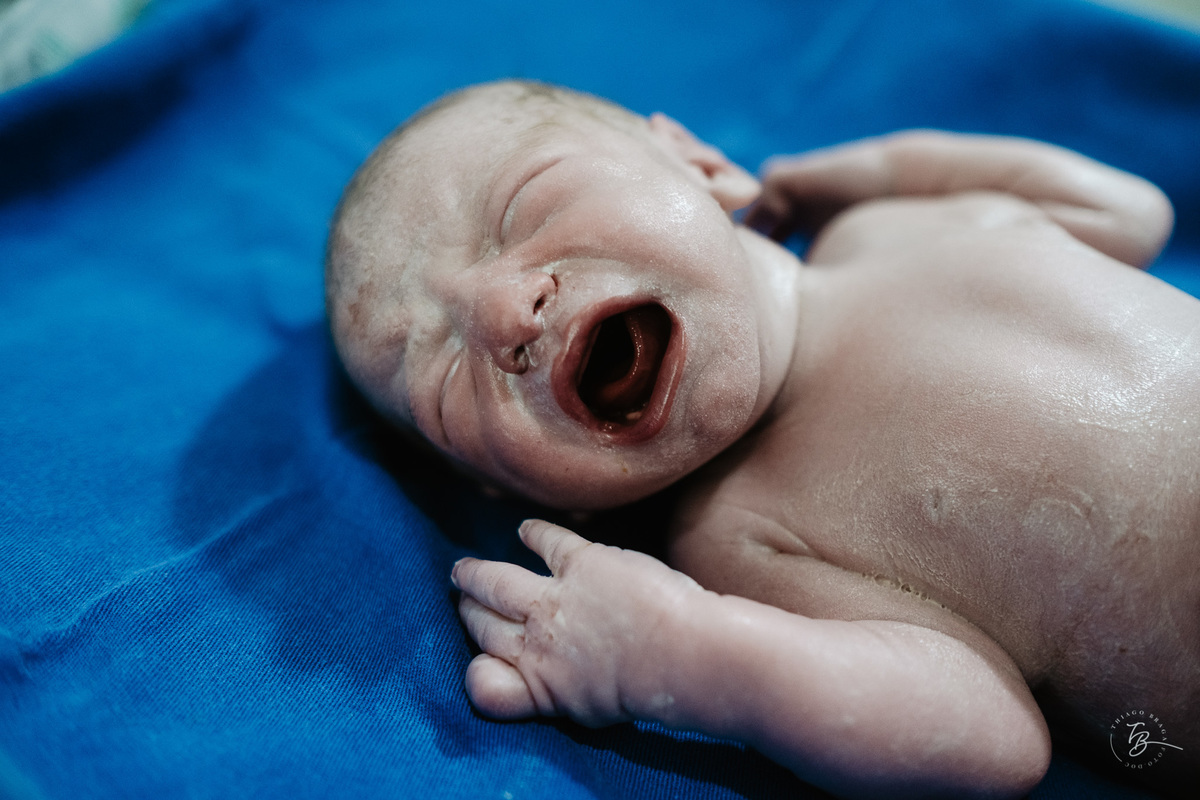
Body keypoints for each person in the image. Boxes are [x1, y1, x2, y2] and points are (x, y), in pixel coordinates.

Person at [324, 80, 1197, 798]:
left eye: (523, 207)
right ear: (522, 495)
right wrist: (685, 657)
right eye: (442, 377)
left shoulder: (894, 227)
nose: (502, 316)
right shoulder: (739, 533)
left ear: (698, 163)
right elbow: (988, 736)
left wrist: (886, 171)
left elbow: (1129, 212)